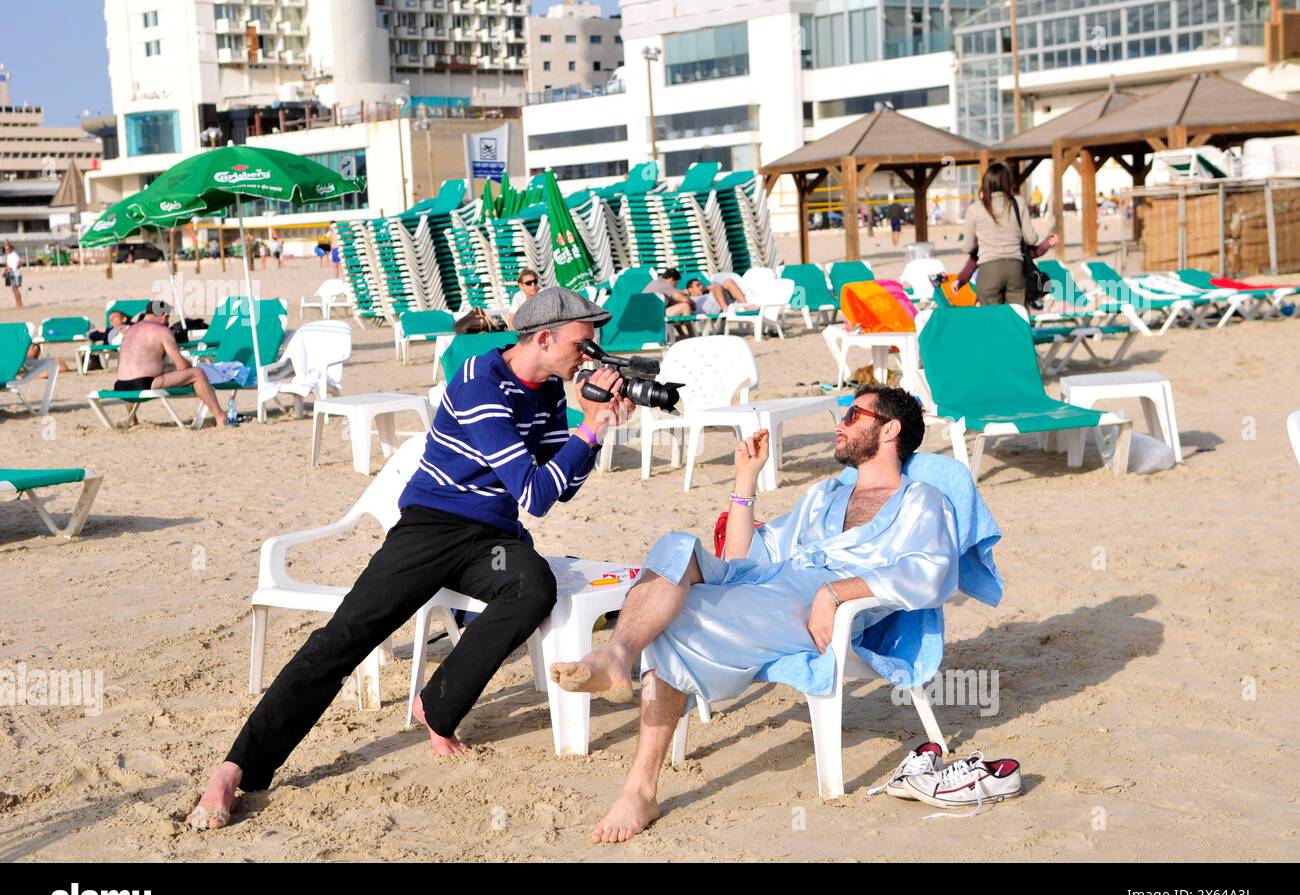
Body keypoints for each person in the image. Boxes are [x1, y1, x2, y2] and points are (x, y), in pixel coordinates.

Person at [187, 287, 635, 831]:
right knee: (345, 637)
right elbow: (536, 493)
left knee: (533, 587)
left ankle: (437, 705)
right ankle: (237, 768)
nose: (592, 355)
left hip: (492, 534)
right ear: (544, 337)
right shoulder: (480, 384)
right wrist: (588, 427)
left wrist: (595, 433)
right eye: (584, 343)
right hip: (430, 525)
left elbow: (556, 489)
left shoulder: (547, 392)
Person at [551, 384, 968, 842]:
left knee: (676, 618)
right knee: (675, 546)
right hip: (769, 582)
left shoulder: (921, 501)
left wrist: (834, 593)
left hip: (812, 603)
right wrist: (746, 480)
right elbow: (743, 559)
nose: (838, 424)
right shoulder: (823, 496)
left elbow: (931, 574)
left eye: (852, 415)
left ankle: (639, 788)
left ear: (889, 429)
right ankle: (617, 652)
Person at [113, 300, 228, 427]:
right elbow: (182, 366)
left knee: (153, 372)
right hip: (144, 384)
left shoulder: (130, 330)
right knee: (197, 374)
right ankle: (220, 417)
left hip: (120, 385)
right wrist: (190, 365)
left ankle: (133, 420)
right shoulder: (162, 330)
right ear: (163, 316)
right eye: (167, 318)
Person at [959, 163, 1057, 306]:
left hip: (989, 270)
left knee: (992, 319)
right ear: (1007, 182)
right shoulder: (1019, 203)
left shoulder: (975, 209)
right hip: (1015, 269)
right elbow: (1031, 239)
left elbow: (967, 247)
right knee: (1017, 316)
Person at [683, 275, 748, 333]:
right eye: (698, 285)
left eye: (701, 285)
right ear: (690, 289)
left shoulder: (706, 294)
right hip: (706, 311)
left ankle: (746, 306)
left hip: (717, 305)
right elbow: (677, 295)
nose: (701, 286)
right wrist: (684, 292)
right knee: (717, 287)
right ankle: (727, 309)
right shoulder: (689, 298)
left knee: (728, 282)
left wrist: (705, 289)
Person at [3, 242, 22, 308]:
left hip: (16, 274)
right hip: (10, 274)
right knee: (13, 289)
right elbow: (8, 264)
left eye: (7, 249)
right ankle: (17, 303)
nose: (6, 250)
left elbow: (19, 263)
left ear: (11, 249)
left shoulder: (15, 254)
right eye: (5, 249)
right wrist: (6, 269)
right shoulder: (8, 255)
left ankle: (20, 304)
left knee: (15, 289)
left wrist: (13, 268)